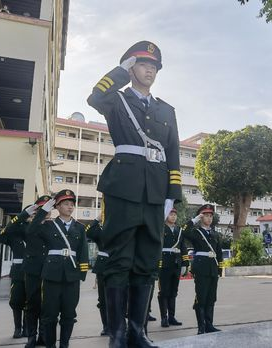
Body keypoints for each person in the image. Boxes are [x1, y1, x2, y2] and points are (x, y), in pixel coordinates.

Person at [86, 40, 182, 348]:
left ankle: (138, 332)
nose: (150, 68)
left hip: (155, 192)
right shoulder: (116, 100)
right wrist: (121, 71)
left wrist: (172, 193)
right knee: (119, 260)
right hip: (124, 189)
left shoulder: (166, 110)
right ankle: (116, 333)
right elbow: (94, 95)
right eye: (142, 64)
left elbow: (173, 154)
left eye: (154, 65)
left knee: (145, 262)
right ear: (131, 67)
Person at [28, 190, 89, 348]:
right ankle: (50, 345)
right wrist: (44, 210)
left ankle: (64, 345)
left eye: (72, 204)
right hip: (51, 276)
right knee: (49, 315)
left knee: (69, 314)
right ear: (58, 206)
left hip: (72, 276)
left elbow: (83, 252)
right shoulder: (48, 225)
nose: (70, 207)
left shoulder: (80, 228)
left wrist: (81, 274)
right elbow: (31, 229)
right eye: (66, 204)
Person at [11, 195, 52, 348]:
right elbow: (10, 229)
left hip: (48, 271)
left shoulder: (53, 226)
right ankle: (31, 337)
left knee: (46, 305)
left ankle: (43, 336)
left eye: (48, 208)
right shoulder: (27, 226)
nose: (45, 211)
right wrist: (24, 214)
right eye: (42, 208)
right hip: (32, 271)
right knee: (32, 305)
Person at [182, 204, 223, 335]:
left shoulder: (215, 234)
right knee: (201, 297)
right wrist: (194, 219)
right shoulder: (196, 232)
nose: (209, 218)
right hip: (201, 269)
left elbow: (219, 252)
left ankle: (209, 325)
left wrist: (219, 269)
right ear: (201, 217)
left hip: (212, 269)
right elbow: (183, 231)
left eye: (211, 216)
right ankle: (201, 327)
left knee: (211, 298)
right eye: (206, 216)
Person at [0, 207, 31, 338]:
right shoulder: (14, 235)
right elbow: (1, 236)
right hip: (18, 272)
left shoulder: (35, 234)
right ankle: (17, 328)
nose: (31, 217)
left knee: (30, 301)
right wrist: (20, 218)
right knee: (16, 301)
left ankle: (27, 328)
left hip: (32, 272)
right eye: (29, 214)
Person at [157, 207, 188, 328]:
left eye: (175, 214)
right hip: (164, 264)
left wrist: (185, 263)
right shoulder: (161, 228)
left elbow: (183, 247)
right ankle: (164, 318)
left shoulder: (179, 230)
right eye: (171, 214)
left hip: (176, 264)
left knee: (173, 292)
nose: (173, 216)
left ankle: (172, 317)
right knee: (164, 292)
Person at [85, 216, 109, 336]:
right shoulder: (100, 230)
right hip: (103, 267)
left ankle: (119, 324)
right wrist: (97, 219)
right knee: (103, 299)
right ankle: (106, 326)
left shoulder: (122, 228)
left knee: (120, 298)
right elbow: (88, 232)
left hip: (119, 266)